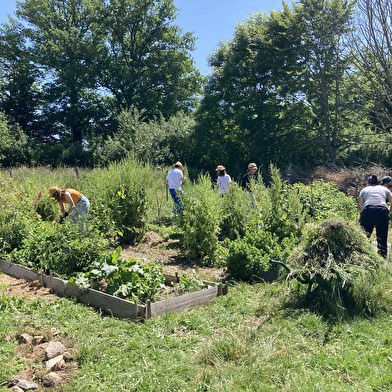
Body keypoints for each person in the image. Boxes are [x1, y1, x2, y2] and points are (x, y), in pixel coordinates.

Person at [358, 175, 392, 257]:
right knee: (382, 237)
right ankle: (382, 258)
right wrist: (388, 210)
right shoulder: (385, 189)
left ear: (368, 183)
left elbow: (361, 206)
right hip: (382, 210)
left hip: (368, 210)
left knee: (364, 235)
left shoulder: (363, 190)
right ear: (379, 182)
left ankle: (361, 255)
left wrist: (364, 217)